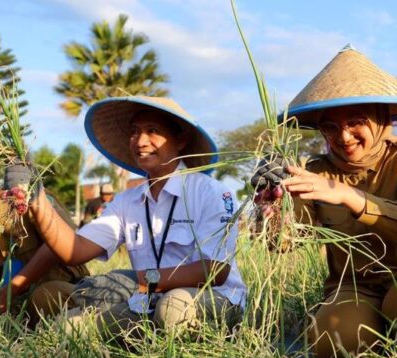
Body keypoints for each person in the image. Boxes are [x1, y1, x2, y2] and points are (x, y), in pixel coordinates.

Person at [252, 45, 397, 358]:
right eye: (330, 127)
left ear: (381, 118)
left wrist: (346, 194)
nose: (344, 137)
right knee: (332, 339)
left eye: (356, 122)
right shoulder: (314, 171)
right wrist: (269, 208)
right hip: (355, 286)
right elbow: (289, 241)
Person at [12, 96, 247, 335]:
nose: (140, 141)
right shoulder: (127, 201)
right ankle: (139, 333)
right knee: (63, 319)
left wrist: (143, 279)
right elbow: (75, 251)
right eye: (134, 132)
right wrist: (36, 198)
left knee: (173, 308)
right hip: (146, 301)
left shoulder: (212, 192)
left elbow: (215, 271)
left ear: (181, 140)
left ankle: (163, 337)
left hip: (210, 298)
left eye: (152, 131)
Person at [0, 161, 88, 326]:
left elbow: (55, 247)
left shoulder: (27, 199)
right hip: (15, 302)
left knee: (44, 297)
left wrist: (9, 292)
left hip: (62, 290)